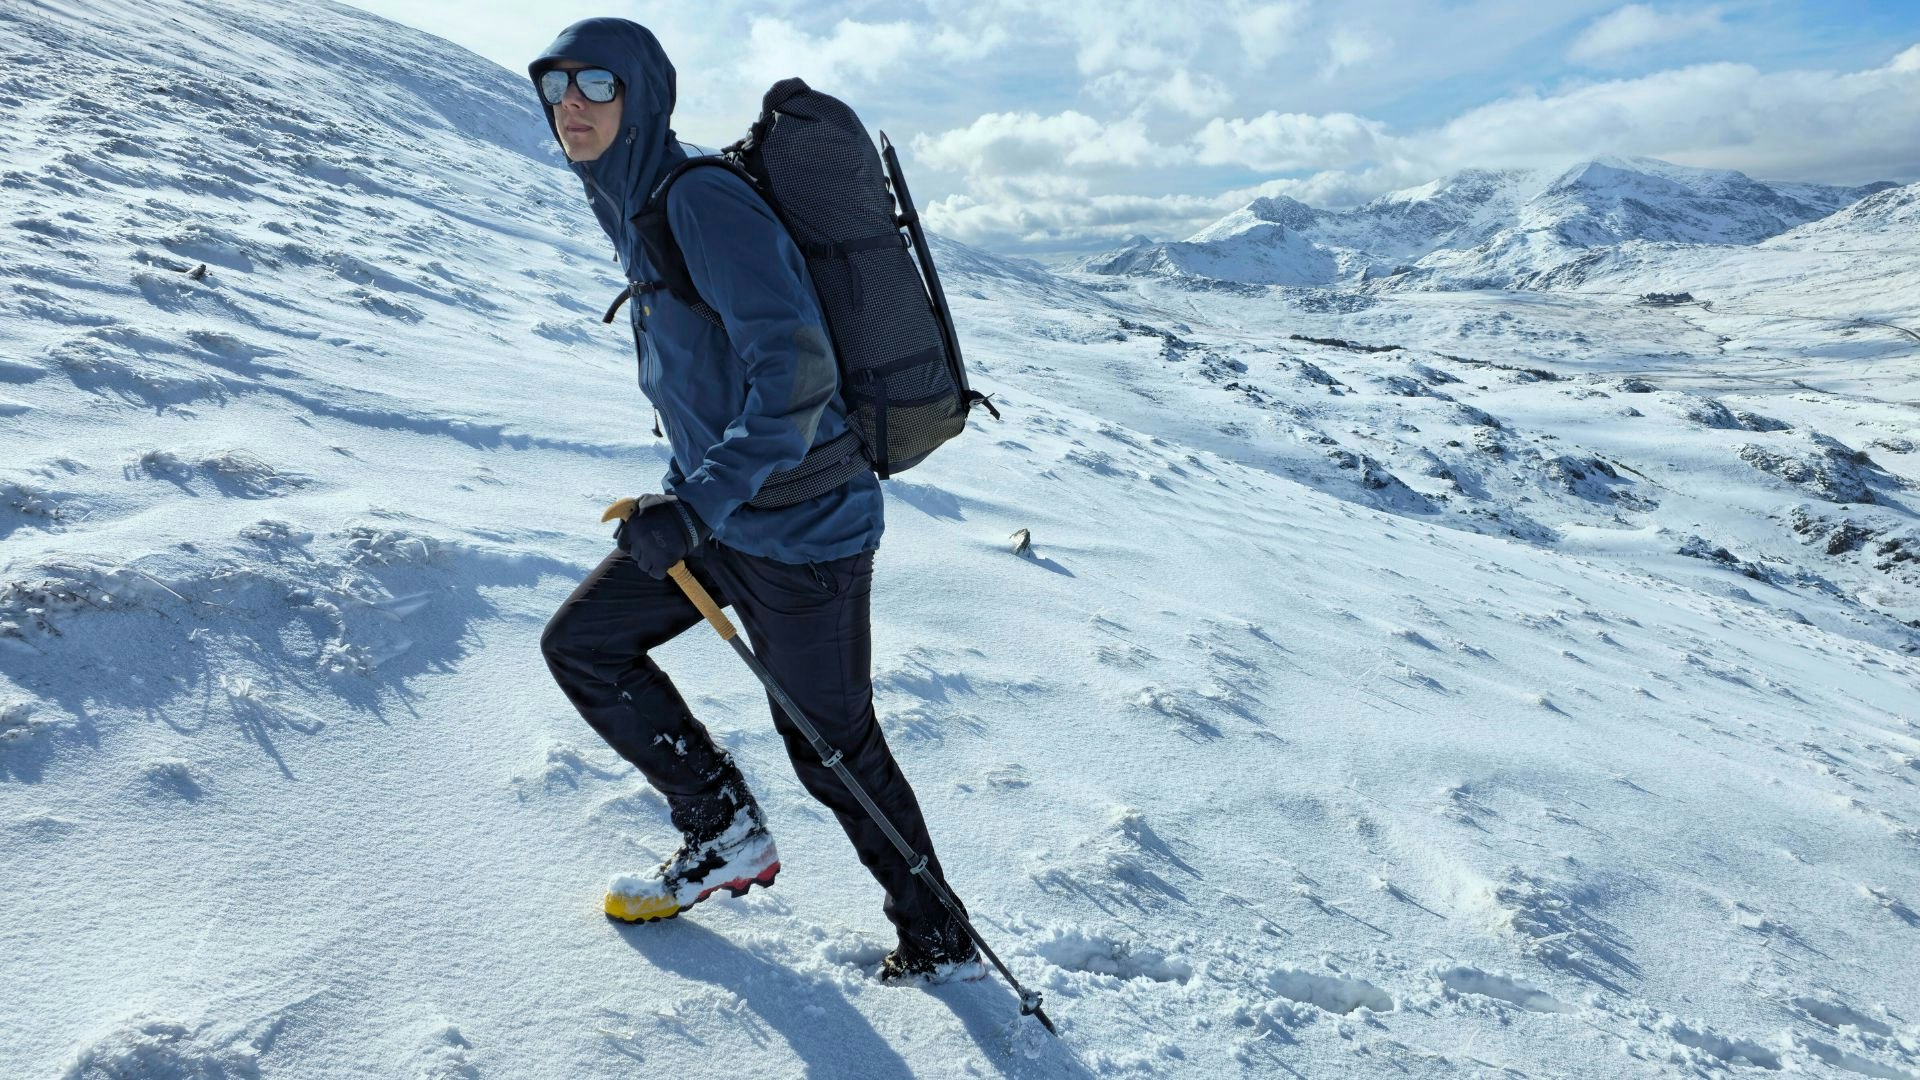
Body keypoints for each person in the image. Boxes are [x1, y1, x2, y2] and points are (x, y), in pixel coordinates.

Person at [529, 17, 978, 981]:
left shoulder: (700, 202)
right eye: (555, 82)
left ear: (643, 94)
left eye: (597, 82)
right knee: (585, 644)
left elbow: (798, 371)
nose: (572, 100)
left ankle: (939, 938)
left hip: (807, 527)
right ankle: (721, 825)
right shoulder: (635, 200)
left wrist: (699, 504)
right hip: (727, 511)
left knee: (831, 744)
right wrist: (698, 496)